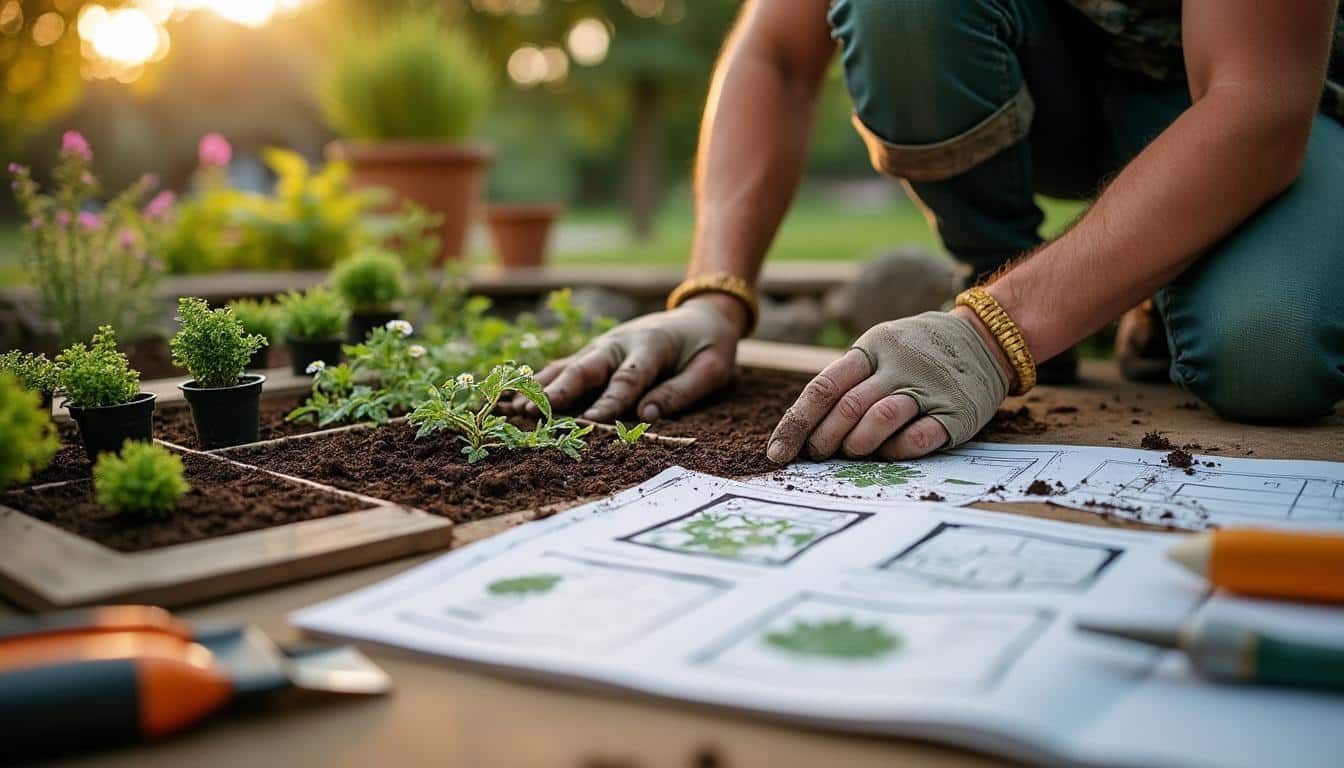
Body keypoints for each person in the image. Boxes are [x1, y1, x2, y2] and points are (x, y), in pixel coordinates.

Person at [515, 0, 1344, 465]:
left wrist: (992, 334)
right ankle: (1008, 277)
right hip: (1047, 74)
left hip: (1259, 97)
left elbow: (1260, 107)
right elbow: (774, 52)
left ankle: (1097, 300)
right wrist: (712, 298)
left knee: (1271, 352)